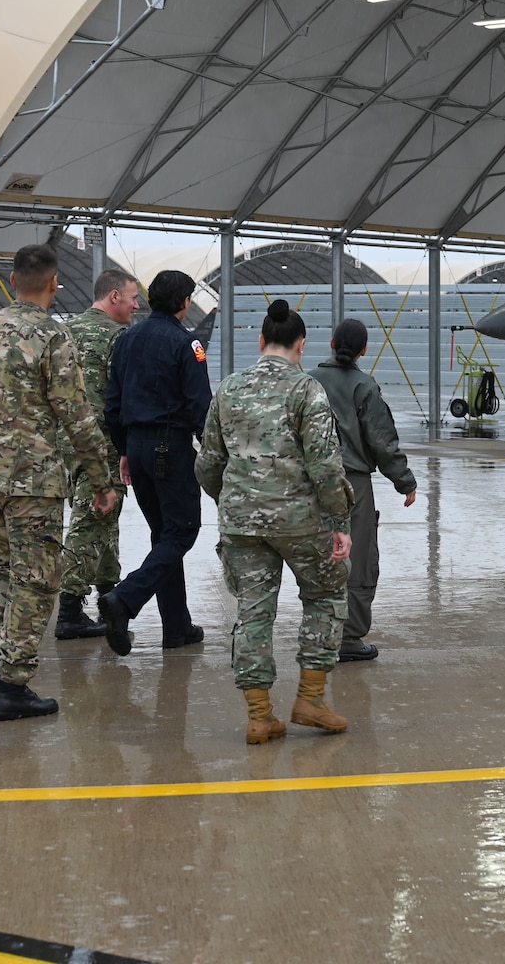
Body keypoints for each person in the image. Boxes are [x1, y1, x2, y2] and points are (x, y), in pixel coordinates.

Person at [0, 244, 117, 720]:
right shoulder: (52, 338)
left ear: (12, 280)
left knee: (4, 567)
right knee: (37, 580)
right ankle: (15, 685)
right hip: (33, 480)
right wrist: (101, 480)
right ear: (54, 284)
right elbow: (76, 417)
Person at [195, 299, 354, 744]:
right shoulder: (307, 390)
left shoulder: (227, 388)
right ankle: (311, 699)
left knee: (252, 612)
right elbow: (325, 465)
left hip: (242, 523)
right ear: (301, 345)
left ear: (261, 341)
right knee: (324, 596)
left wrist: (233, 500)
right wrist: (340, 521)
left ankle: (259, 715)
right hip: (301, 522)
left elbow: (208, 462)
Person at [98, 270, 212, 655]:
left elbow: (112, 404)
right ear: (183, 302)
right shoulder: (187, 343)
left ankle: (176, 627)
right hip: (171, 449)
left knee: (164, 535)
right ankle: (125, 599)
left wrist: (125, 451)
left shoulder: (127, 339)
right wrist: (214, 453)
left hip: (138, 448)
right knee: (182, 532)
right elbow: (200, 406)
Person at [310, 318, 417, 663]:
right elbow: (382, 440)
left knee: (316, 554)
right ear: (363, 350)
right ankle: (348, 638)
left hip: (310, 480)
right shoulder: (365, 387)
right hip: (351, 483)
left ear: (331, 343)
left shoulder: (308, 382)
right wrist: (405, 482)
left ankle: (317, 631)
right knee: (356, 558)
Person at [56, 271, 141, 639]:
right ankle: (70, 608)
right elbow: (122, 395)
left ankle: (109, 592)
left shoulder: (64, 331)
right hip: (101, 440)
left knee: (106, 515)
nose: (137, 306)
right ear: (113, 296)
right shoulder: (117, 336)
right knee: (92, 517)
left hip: (66, 437)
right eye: (133, 298)